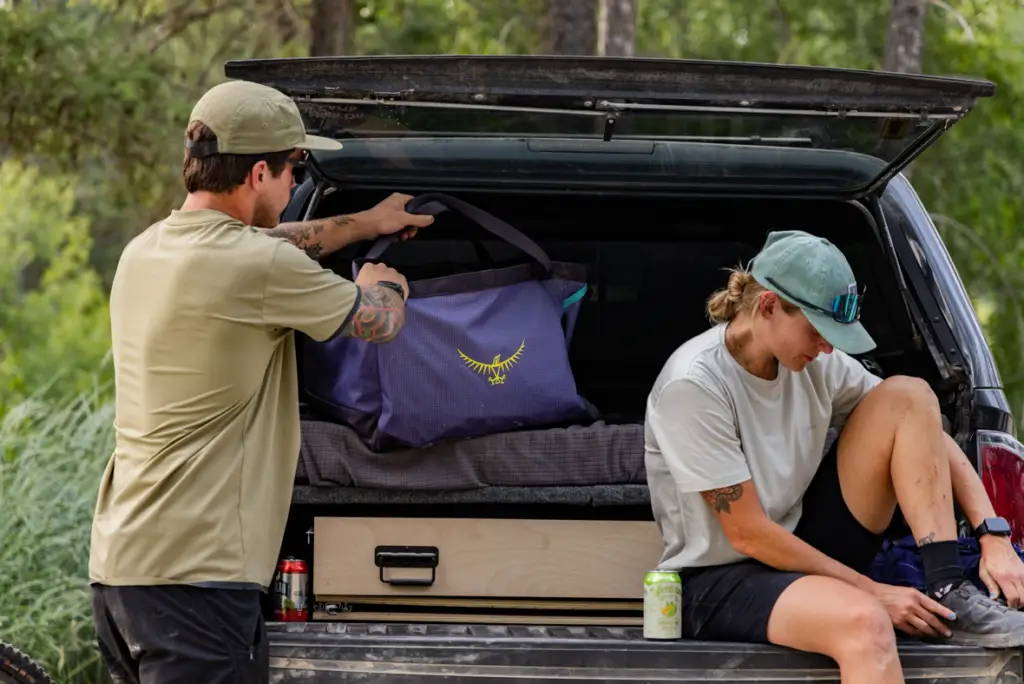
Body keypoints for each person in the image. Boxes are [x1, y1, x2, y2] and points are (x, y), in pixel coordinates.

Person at [87, 79, 434, 683]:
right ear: (256, 177)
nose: (298, 185)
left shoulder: (146, 250)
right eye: (293, 169)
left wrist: (364, 222)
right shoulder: (259, 265)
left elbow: (273, 240)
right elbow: (378, 324)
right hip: (199, 578)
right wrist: (385, 282)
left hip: (123, 572)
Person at [644, 230, 1024, 684]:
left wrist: (992, 535)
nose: (828, 346)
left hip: (801, 541)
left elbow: (921, 428)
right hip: (719, 579)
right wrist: (875, 592)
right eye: (819, 331)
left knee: (909, 395)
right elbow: (747, 534)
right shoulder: (694, 384)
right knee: (865, 622)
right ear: (768, 306)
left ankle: (948, 587)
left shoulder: (816, 362)